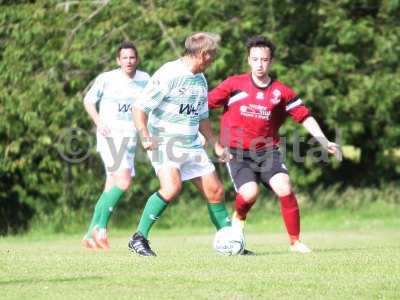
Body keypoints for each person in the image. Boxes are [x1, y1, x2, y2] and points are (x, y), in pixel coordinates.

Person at [208, 36, 341, 253]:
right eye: (255, 59)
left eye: (264, 60)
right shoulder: (234, 85)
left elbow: (304, 116)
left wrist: (323, 140)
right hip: (237, 152)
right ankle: (239, 217)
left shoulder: (281, 92)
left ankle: (295, 242)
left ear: (271, 61)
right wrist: (208, 137)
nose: (259, 64)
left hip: (267, 151)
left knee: (284, 186)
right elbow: (203, 106)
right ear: (248, 60)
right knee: (249, 193)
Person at [128, 32, 232, 257]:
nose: (214, 60)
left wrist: (215, 144)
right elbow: (139, 108)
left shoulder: (200, 79)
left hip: (191, 145)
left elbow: (202, 117)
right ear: (203, 54)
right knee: (172, 187)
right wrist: (145, 135)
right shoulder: (169, 73)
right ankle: (139, 237)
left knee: (215, 191)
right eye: (212, 55)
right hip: (165, 141)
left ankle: (231, 243)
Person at [81, 41, 150, 250]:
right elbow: (88, 100)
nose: (129, 61)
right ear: (118, 60)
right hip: (110, 136)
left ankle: (90, 235)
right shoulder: (107, 78)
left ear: (137, 59)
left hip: (130, 138)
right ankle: (100, 228)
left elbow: (149, 107)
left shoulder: (145, 79)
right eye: (124, 58)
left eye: (132, 57)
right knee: (124, 180)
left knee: (111, 184)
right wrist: (99, 122)